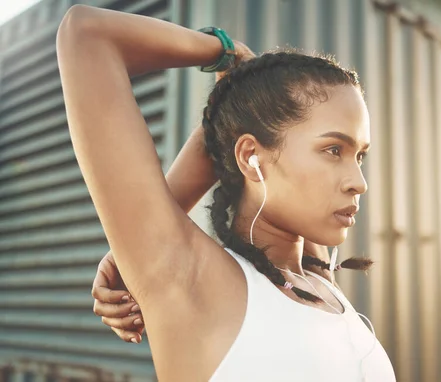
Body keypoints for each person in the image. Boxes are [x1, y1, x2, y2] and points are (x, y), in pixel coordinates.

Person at [57, 4, 396, 382]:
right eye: (334, 150)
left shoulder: (317, 282)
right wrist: (225, 50)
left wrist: (126, 251)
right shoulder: (194, 283)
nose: (359, 182)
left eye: (359, 155)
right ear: (251, 156)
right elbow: (86, 33)